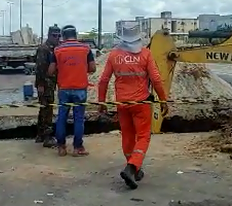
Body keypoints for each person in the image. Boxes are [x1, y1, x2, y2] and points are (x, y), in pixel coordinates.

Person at [98, 22, 169, 190]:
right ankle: (131, 168)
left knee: (128, 136)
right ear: (139, 37)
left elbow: (103, 80)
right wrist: (163, 100)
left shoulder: (114, 55)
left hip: (122, 103)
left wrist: (102, 101)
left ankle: (134, 168)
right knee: (143, 136)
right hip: (141, 103)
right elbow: (157, 80)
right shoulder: (146, 54)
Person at [48, 25, 96, 157]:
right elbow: (92, 68)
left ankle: (61, 148)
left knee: (61, 118)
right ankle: (77, 148)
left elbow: (51, 71)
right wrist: (80, 69)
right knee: (79, 119)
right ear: (76, 34)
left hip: (64, 89)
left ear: (63, 36)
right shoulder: (85, 49)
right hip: (80, 89)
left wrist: (62, 69)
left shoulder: (57, 50)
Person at [34, 24, 61, 147]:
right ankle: (47, 137)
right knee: (47, 109)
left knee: (44, 108)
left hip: (51, 83)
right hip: (44, 83)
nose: (57, 38)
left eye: (58, 35)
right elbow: (39, 68)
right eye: (54, 35)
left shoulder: (55, 48)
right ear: (49, 35)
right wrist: (40, 84)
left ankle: (40, 134)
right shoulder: (44, 49)